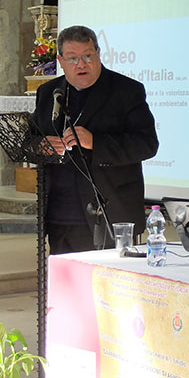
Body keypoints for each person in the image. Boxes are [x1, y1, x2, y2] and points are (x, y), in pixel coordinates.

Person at [31, 25, 159, 254]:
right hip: (59, 215)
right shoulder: (48, 93)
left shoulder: (126, 91)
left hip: (109, 213)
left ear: (98, 53)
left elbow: (147, 144)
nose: (81, 64)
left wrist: (96, 142)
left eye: (87, 56)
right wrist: (41, 146)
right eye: (73, 58)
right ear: (60, 60)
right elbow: (29, 140)